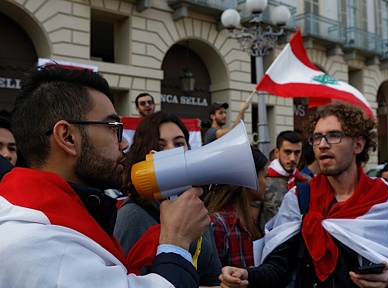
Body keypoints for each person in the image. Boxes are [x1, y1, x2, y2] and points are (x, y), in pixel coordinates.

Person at [0, 65, 210, 287]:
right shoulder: (41, 244)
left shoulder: (46, 221)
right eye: (113, 127)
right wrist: (175, 243)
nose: (124, 143)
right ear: (68, 137)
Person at [220, 102, 388, 288]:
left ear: (358, 145)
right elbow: (279, 268)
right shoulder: (299, 199)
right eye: (317, 137)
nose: (322, 144)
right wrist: (247, 275)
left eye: (334, 136)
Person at [114, 110, 222, 287]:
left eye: (179, 143)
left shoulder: (193, 207)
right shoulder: (132, 215)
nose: (173, 151)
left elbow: (213, 274)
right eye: (161, 146)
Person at [204, 147, 268, 268]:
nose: (267, 184)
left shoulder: (249, 220)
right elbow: (211, 277)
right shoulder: (219, 224)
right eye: (265, 176)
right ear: (251, 178)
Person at [260, 130, 311, 227]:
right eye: (287, 152)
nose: (292, 158)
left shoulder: (307, 181)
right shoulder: (264, 181)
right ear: (277, 152)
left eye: (297, 152)